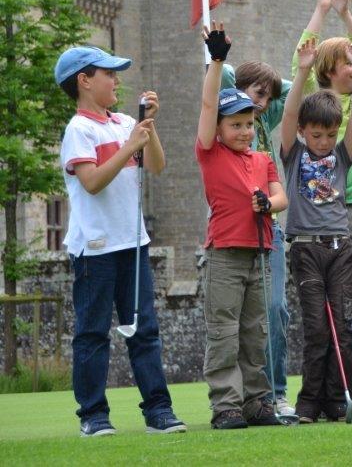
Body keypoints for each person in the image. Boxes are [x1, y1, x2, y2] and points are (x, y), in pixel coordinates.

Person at [55, 46, 185, 437]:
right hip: (95, 249)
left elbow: (157, 166)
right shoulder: (79, 130)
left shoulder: (124, 121)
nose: (116, 80)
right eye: (108, 74)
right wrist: (131, 145)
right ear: (84, 81)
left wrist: (147, 129)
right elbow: (91, 183)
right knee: (93, 334)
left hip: (133, 243)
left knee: (144, 329)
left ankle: (159, 411)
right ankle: (93, 416)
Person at [293, 0, 352, 416]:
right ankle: (331, 390)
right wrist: (320, 9)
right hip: (328, 221)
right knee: (331, 313)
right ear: (330, 69)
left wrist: (347, 16)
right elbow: (303, 57)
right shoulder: (320, 113)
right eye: (347, 62)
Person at [197, 23, 289, 429]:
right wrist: (217, 62)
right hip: (225, 255)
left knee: (256, 333)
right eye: (235, 124)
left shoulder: (261, 159)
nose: (244, 131)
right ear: (219, 129)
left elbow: (280, 196)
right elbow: (205, 106)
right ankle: (226, 406)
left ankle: (257, 401)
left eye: (249, 124)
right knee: (224, 332)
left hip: (260, 253)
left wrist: (268, 204)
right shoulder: (210, 153)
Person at [280, 37, 352, 422]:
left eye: (329, 135)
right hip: (306, 248)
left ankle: (339, 399)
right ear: (303, 132)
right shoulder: (294, 153)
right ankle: (308, 403)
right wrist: (302, 70)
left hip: (341, 247)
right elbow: (287, 116)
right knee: (317, 328)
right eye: (316, 135)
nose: (323, 142)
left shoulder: (341, 156)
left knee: (343, 326)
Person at [221, 54, 294, 417]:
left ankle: (275, 393)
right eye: (257, 94)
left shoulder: (265, 121)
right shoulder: (223, 123)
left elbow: (296, 87)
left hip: (271, 231)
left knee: (275, 310)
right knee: (234, 323)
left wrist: (273, 85)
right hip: (232, 236)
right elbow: (222, 77)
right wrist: (223, 62)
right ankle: (238, 400)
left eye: (268, 97)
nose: (262, 103)